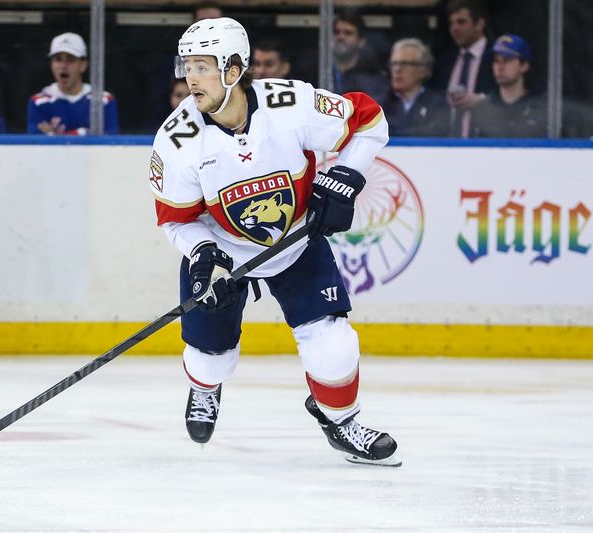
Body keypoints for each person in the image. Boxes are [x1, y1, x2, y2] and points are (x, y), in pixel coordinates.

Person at [150, 17, 400, 466]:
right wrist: (204, 253)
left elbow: (368, 121)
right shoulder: (177, 140)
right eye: (187, 67)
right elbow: (175, 220)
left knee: (333, 345)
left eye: (202, 67)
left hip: (296, 242)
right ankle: (204, 389)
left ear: (232, 70)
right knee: (211, 358)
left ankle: (342, 423)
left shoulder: (291, 104)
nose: (191, 79)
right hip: (222, 251)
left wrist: (346, 175)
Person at [27, 32, 120, 135]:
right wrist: (84, 132)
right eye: (58, 59)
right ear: (51, 64)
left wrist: (57, 136)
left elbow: (110, 143)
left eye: (70, 60)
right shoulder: (39, 102)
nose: (63, 66)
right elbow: (37, 145)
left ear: (83, 65)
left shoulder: (103, 100)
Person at [430, 0, 497, 137]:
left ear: (479, 24)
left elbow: (508, 98)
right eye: (451, 23)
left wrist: (482, 100)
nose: (454, 28)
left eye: (461, 22)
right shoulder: (445, 60)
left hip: (485, 144)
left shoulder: (496, 57)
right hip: (444, 145)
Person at [471, 34, 546, 138]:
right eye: (496, 61)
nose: (499, 67)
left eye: (507, 60)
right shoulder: (484, 108)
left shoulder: (542, 107)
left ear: (524, 66)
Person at [382, 38, 449, 137]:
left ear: (423, 70)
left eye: (404, 63)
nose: (397, 69)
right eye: (394, 63)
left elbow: (436, 132)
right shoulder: (379, 105)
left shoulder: (439, 104)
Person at [332, 9, 389, 102]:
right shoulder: (317, 72)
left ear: (361, 41)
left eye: (348, 33)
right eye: (336, 32)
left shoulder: (376, 81)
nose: (341, 37)